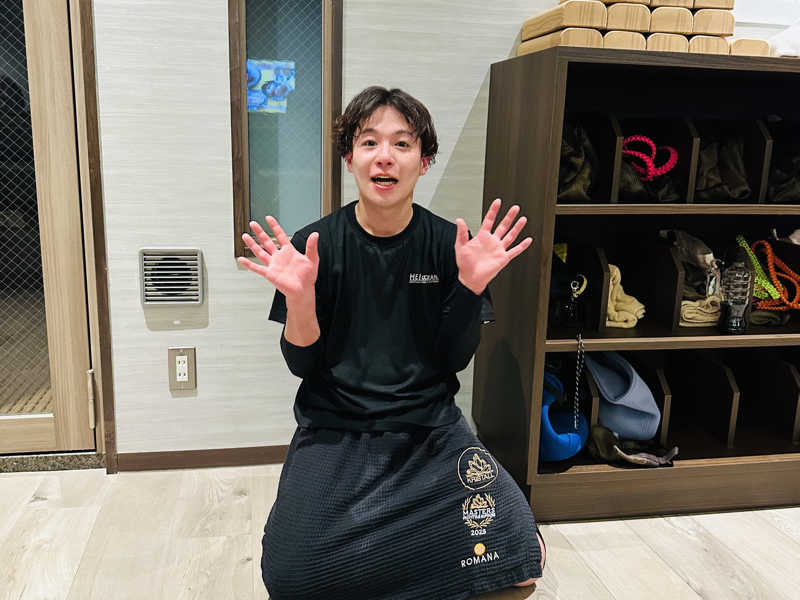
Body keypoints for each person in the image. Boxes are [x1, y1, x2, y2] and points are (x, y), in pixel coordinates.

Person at [238, 86, 545, 600]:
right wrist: (300, 300)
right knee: (291, 581)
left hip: (431, 428)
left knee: (521, 561)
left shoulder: (451, 246)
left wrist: (469, 288)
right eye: (369, 142)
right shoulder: (315, 245)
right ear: (349, 158)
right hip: (334, 427)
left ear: (423, 162)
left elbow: (452, 358)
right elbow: (302, 364)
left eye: (402, 144)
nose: (385, 156)